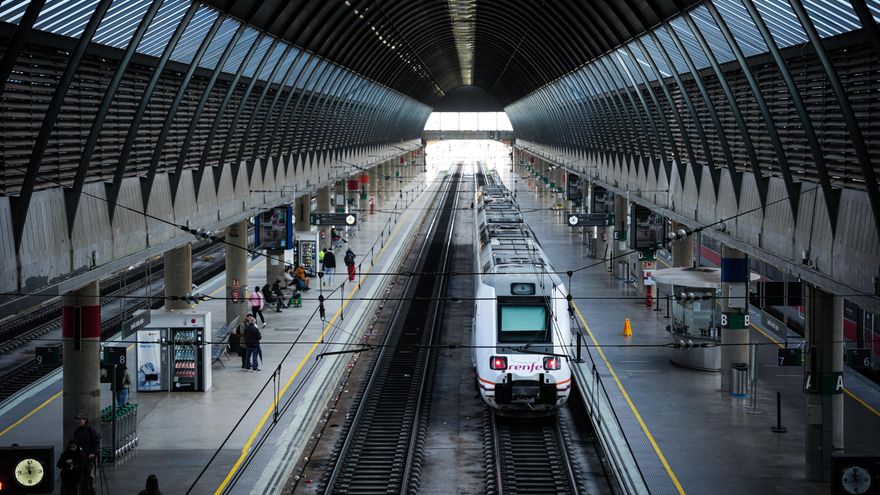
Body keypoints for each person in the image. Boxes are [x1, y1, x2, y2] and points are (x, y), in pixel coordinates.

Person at [73, 413, 100, 495]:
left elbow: (96, 442)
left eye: (80, 419)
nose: (78, 421)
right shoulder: (77, 431)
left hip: (89, 457)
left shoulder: (91, 430)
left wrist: (93, 453)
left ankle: (90, 492)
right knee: (81, 476)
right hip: (80, 457)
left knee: (89, 475)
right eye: (78, 419)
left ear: (85, 420)